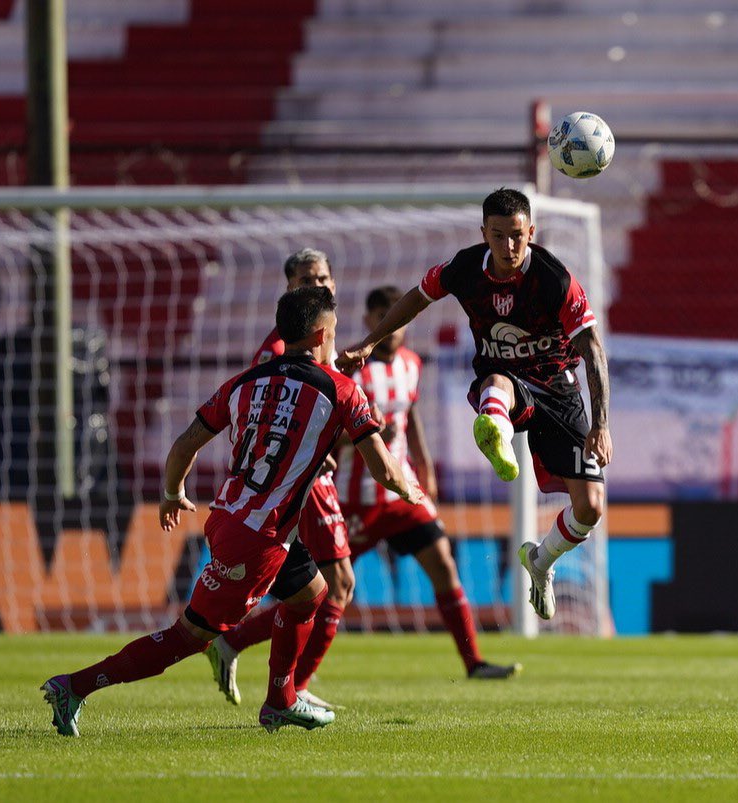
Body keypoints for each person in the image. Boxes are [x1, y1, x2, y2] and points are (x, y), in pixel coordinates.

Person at [40, 287, 424, 735]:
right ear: (321, 335)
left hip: (232, 516)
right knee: (188, 636)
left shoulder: (247, 381)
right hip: (256, 538)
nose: (336, 343)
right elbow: (383, 468)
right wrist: (411, 489)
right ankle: (75, 686)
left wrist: (171, 492)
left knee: (311, 594)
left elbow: (185, 443)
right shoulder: (342, 391)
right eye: (335, 335)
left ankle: (281, 699)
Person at [336, 188, 611, 621]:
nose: (508, 247)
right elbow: (416, 298)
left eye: (517, 236)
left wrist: (601, 424)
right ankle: (495, 431)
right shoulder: (465, 268)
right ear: (484, 233)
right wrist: (369, 343)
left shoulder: (554, 278)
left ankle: (540, 561)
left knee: (590, 508)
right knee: (498, 380)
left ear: (531, 232)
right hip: (504, 383)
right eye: (498, 236)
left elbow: (591, 346)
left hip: (559, 388)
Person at [336, 285, 521, 678]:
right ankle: (273, 658)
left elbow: (412, 416)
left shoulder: (411, 364)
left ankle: (474, 663)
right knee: (323, 589)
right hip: (357, 497)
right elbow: (327, 432)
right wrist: (365, 434)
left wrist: (425, 467)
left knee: (443, 565)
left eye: (396, 319)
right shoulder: (349, 368)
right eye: (382, 317)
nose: (393, 328)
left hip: (403, 491)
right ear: (369, 320)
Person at [202, 248, 357, 712]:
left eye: (325, 277)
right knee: (337, 583)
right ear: (289, 289)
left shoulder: (318, 339)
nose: (320, 285)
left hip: (303, 475)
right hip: (294, 482)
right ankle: (293, 690)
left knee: (321, 587)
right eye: (308, 278)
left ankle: (243, 652)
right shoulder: (276, 351)